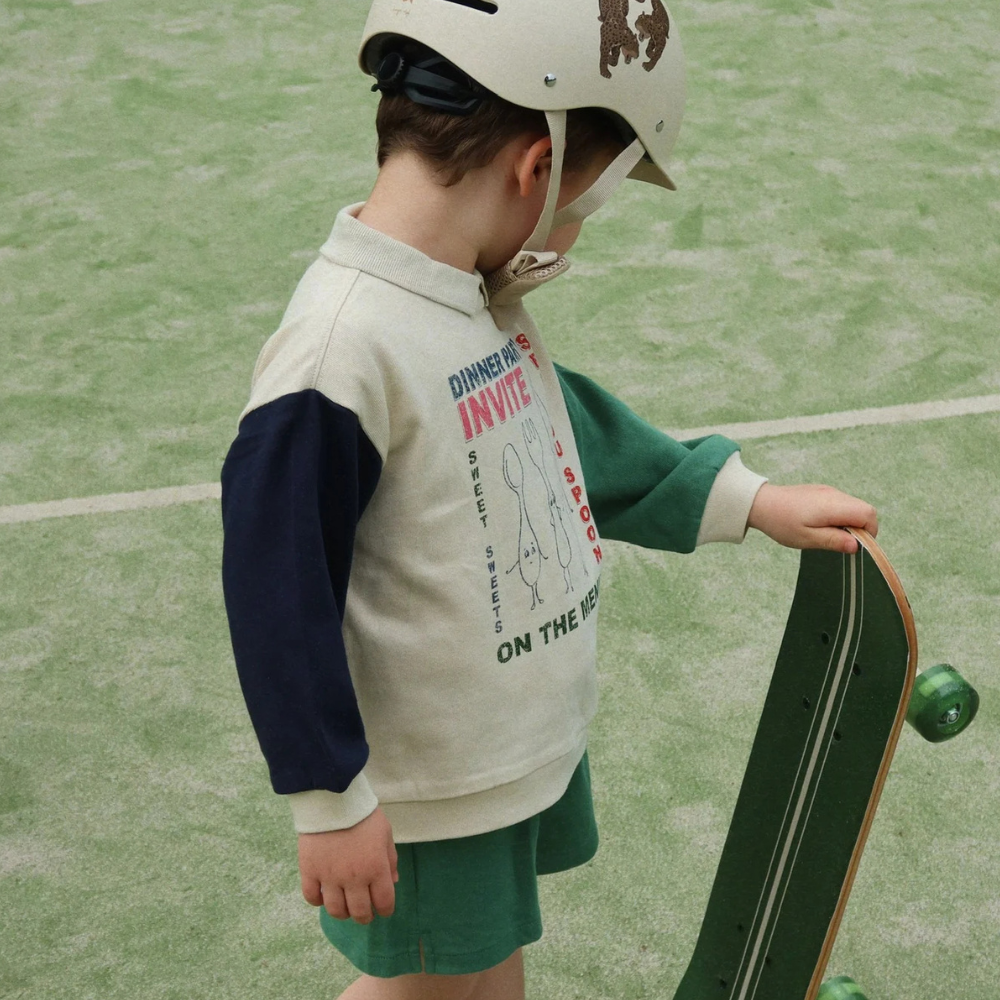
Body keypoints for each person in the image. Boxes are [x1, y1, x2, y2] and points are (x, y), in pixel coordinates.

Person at [220, 2, 878, 998]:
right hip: (433, 787)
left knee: (483, 981)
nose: (574, 236)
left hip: (494, 760)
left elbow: (553, 434)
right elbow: (277, 590)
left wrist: (745, 498)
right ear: (535, 167)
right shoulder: (340, 354)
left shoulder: (465, 297)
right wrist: (329, 797)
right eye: (584, 209)